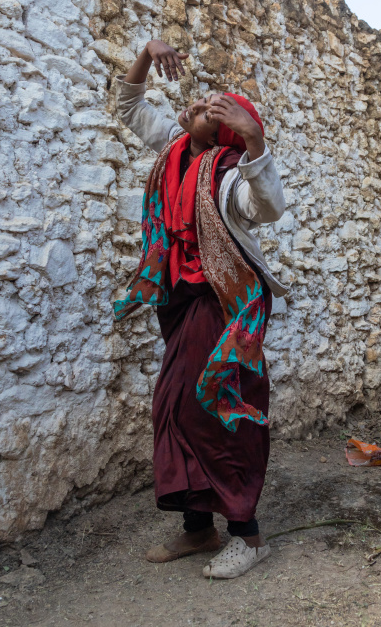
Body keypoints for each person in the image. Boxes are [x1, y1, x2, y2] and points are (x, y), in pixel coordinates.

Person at [114, 40, 287, 579]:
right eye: (199, 102)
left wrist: (256, 138)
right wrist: (145, 52)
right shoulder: (173, 148)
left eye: (215, 110)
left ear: (225, 134)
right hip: (182, 304)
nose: (197, 105)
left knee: (213, 408)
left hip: (226, 306)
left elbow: (270, 207)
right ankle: (198, 530)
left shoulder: (232, 175)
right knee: (173, 406)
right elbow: (127, 106)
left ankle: (248, 536)